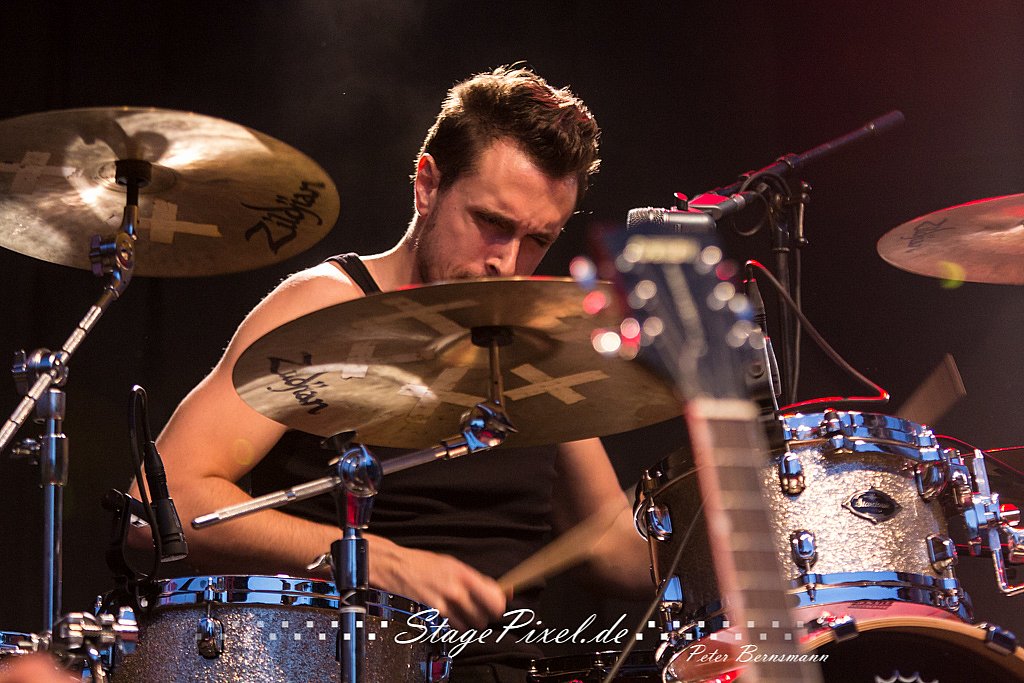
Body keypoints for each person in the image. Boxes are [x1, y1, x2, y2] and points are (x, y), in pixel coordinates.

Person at [132, 65, 651, 681]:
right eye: (492, 224)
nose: (508, 262)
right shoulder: (323, 309)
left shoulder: (533, 337)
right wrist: (375, 561)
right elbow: (158, 504)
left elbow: (613, 548)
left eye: (539, 238)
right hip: (347, 661)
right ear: (427, 185)